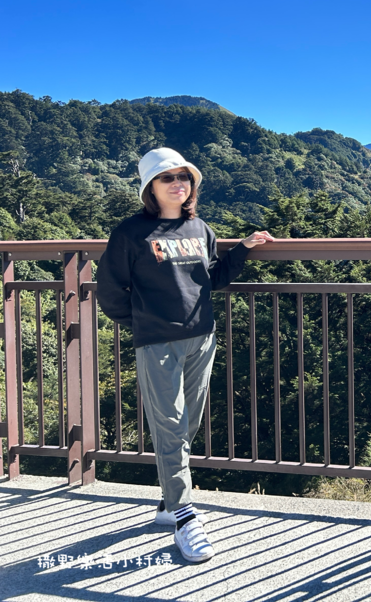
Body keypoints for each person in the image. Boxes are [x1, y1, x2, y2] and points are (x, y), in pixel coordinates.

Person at [96, 147, 274, 563]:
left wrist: (244, 248)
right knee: (171, 426)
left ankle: (168, 502)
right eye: (167, 177)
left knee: (187, 423)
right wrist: (144, 323)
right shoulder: (130, 233)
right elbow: (109, 290)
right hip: (157, 343)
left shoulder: (199, 228)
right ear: (150, 187)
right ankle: (184, 517)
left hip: (201, 338)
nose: (178, 183)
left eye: (183, 176)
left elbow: (211, 279)